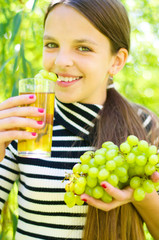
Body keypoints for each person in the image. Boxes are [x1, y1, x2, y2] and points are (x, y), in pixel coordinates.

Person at [0, 0, 159, 239]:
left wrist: (139, 192)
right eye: (51, 44)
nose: (61, 61)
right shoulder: (25, 121)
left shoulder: (144, 126)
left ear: (116, 61)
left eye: (83, 48)